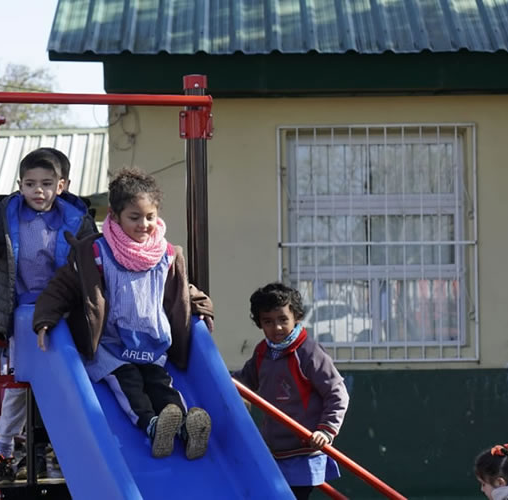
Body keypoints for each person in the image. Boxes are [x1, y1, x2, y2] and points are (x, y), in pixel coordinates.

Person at [33, 167, 215, 460]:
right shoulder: (97, 252)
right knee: (129, 385)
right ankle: (152, 426)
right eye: (134, 217)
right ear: (114, 216)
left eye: (150, 217)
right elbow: (64, 286)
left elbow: (182, 289)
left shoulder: (165, 254)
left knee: (161, 384)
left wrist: (202, 307)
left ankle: (184, 425)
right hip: (112, 345)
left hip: (150, 342)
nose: (144, 224)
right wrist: (44, 319)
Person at [0, 147, 97, 479]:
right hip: (21, 312)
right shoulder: (4, 217)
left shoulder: (75, 220)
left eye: (47, 183)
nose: (38, 190)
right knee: (18, 386)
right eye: (30, 183)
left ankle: (57, 452)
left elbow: (91, 261)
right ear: (19, 185)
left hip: (60, 312)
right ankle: (4, 450)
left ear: (61, 185)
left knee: (63, 385)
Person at [232, 282, 349, 499]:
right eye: (268, 321)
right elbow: (245, 380)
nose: (276, 328)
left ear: (296, 317)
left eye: (283, 320)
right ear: (260, 323)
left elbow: (336, 392)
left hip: (304, 448)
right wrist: (220, 379)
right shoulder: (263, 352)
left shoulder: (308, 352)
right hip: (275, 450)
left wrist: (326, 430)